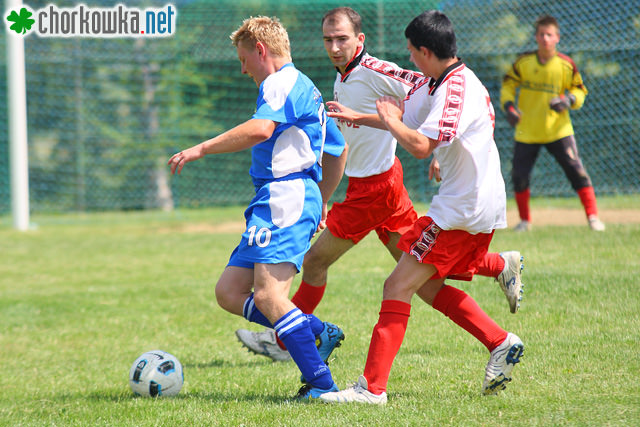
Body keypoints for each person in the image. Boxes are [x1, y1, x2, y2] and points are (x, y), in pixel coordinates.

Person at [235, 6, 524, 363]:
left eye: (342, 39)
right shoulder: (343, 76)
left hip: (374, 191)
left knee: (314, 261)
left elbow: (430, 88)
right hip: (378, 188)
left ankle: (286, 341)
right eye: (328, 39)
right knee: (426, 283)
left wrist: (439, 145)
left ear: (360, 40)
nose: (334, 47)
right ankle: (497, 285)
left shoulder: (376, 70)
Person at [318, 10, 524, 404]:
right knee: (427, 284)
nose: (409, 59)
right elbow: (404, 120)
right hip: (467, 203)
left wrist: (393, 122)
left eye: (412, 52)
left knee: (397, 284)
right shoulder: (438, 82)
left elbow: (417, 144)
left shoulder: (454, 89)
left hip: (463, 209)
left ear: (426, 51)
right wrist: (362, 116)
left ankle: (371, 389)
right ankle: (500, 338)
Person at [167, 16, 349, 400]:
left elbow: (260, 129)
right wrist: (322, 199)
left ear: (261, 51)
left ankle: (321, 385)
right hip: (280, 198)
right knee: (229, 292)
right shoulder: (304, 87)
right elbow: (338, 149)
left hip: (286, 196)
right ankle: (315, 330)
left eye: (243, 58)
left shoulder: (280, 83)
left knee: (268, 297)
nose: (243, 67)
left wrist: (201, 147)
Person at [501, 14, 604, 232]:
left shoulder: (566, 65)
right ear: (536, 37)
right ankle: (525, 222)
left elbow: (579, 90)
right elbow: (508, 85)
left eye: (549, 34)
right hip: (527, 131)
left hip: (558, 130)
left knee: (577, 171)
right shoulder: (523, 63)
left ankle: (593, 218)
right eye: (541, 34)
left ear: (557, 37)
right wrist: (509, 107)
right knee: (519, 176)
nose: (545, 38)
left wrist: (568, 100)